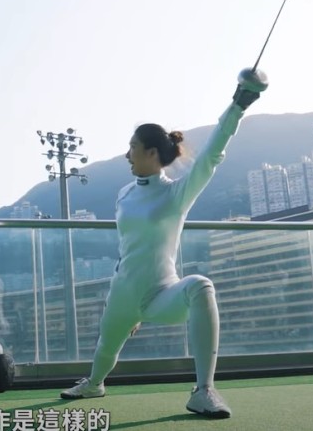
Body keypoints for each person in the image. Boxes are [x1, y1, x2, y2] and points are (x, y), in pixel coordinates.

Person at [60, 70, 268, 419]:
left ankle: (204, 391)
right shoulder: (123, 194)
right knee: (105, 351)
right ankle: (94, 384)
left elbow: (211, 156)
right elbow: (129, 246)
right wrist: (125, 302)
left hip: (161, 292)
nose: (127, 154)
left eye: (132, 147)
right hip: (124, 291)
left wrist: (238, 104)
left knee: (200, 286)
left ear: (151, 152)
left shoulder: (176, 194)